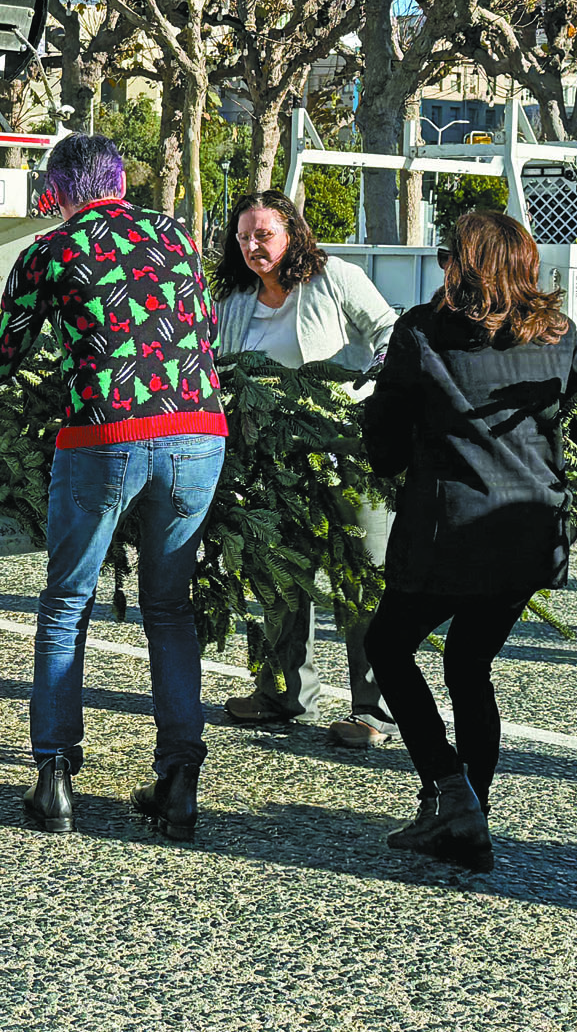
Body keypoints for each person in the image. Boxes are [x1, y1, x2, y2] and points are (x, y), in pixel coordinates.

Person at [0, 134, 228, 841]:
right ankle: (178, 780)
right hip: (199, 433)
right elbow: (198, 332)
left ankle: (54, 776)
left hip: (105, 438)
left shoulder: (49, 251)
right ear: (120, 180)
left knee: (65, 604)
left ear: (55, 193)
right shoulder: (174, 235)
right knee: (169, 610)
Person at [361, 211, 577, 872]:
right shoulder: (557, 333)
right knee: (467, 665)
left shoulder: (421, 333)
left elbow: (385, 455)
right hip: (530, 533)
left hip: (446, 533)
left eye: (445, 255)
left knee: (388, 646)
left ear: (464, 264)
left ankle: (451, 793)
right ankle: (468, 812)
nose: (440, 264)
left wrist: (378, 403)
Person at [212, 190, 400, 748]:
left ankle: (378, 710)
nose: (252, 246)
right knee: (278, 578)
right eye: (243, 236)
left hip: (345, 455)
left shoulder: (334, 277)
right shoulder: (236, 298)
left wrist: (369, 390)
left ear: (292, 233)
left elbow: (389, 330)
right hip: (271, 464)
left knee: (363, 579)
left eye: (263, 234)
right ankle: (283, 692)